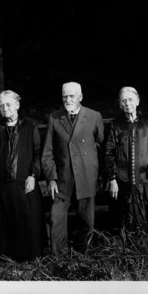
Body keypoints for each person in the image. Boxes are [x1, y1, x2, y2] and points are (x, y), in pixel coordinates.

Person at [41, 82, 104, 255]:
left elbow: (101, 146)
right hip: (62, 178)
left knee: (86, 219)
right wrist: (51, 178)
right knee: (57, 218)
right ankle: (59, 258)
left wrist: (97, 174)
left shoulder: (93, 116)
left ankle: (85, 256)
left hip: (86, 176)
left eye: (71, 96)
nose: (67, 100)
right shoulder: (55, 118)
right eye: (64, 96)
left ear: (80, 97)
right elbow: (47, 152)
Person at [0, 90, 43, 261]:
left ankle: (28, 260)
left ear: (17, 105)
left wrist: (33, 175)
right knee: (2, 223)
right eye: (1, 106)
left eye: (8, 104)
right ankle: (5, 261)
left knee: (26, 221)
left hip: (24, 183)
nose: (5, 108)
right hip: (1, 185)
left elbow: (37, 153)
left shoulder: (30, 126)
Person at [104, 87, 148, 230]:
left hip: (144, 179)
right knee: (124, 218)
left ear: (138, 101)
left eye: (130, 99)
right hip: (123, 181)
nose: (127, 103)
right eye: (124, 101)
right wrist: (112, 178)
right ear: (120, 105)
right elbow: (109, 153)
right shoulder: (115, 125)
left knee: (147, 216)